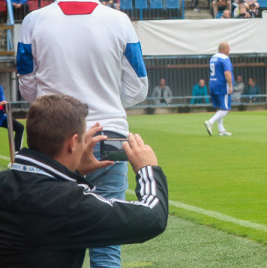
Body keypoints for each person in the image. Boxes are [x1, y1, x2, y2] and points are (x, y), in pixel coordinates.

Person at [16, 0, 149, 267]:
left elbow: (27, 92)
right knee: (106, 248)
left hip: (55, 144)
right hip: (109, 138)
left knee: (52, 241)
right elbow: (139, 89)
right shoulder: (120, 22)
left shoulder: (33, 22)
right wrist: (104, 92)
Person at [0, 95, 167, 267]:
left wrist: (76, 171)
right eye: (82, 139)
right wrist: (147, 169)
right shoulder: (69, 202)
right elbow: (153, 217)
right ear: (73, 143)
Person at [204, 42, 233, 136]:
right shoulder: (225, 58)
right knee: (225, 109)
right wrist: (231, 85)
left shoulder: (213, 57)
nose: (230, 50)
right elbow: (227, 73)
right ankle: (210, 122)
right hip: (222, 86)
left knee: (219, 108)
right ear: (223, 49)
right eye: (228, 48)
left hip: (212, 84)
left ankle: (221, 130)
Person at [0, 84, 24, 151]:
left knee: (19, 127)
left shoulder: (0, 88)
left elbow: (2, 102)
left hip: (1, 118)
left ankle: (16, 152)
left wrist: (4, 105)